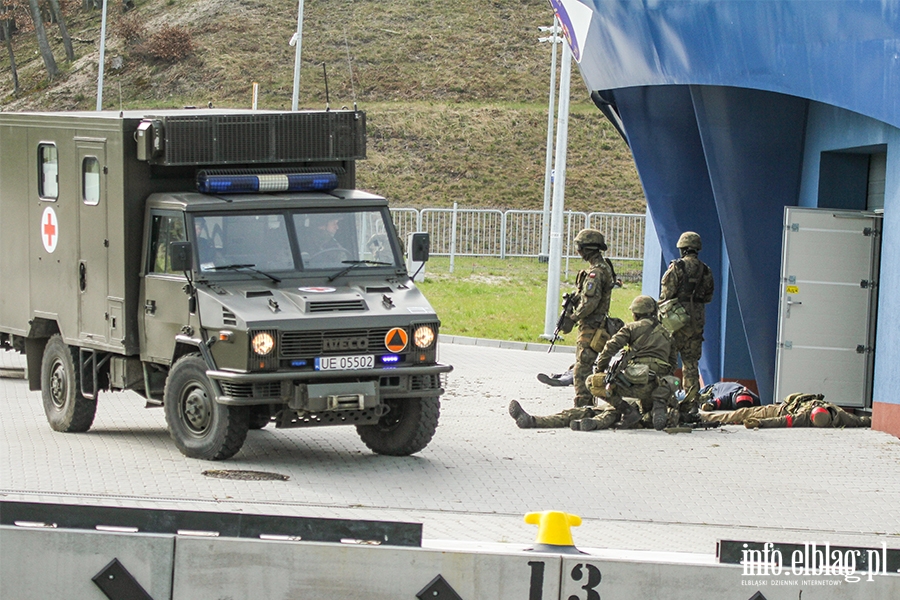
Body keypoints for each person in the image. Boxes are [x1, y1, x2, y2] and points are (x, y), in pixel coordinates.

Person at [510, 295, 680, 431]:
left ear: (636, 313)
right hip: (656, 390)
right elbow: (673, 364)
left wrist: (600, 370)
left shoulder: (631, 328)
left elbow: (610, 348)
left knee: (594, 389)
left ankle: (535, 421)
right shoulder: (668, 334)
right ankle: (535, 421)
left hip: (630, 391)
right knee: (596, 413)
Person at [659, 231, 715, 403]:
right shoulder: (705, 270)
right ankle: (691, 403)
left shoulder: (677, 267)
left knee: (669, 361)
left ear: (682, 248)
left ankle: (667, 399)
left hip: (675, 321)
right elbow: (708, 296)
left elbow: (666, 295)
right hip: (696, 321)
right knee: (691, 363)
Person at [565, 229, 617, 407]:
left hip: (591, 325)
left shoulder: (596, 273)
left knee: (582, 366)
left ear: (588, 249)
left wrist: (573, 317)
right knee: (586, 363)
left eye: (579, 247)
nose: (578, 251)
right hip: (597, 324)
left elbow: (590, 303)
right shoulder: (604, 268)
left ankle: (583, 404)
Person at [700, 392, 871, 428]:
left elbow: (782, 421)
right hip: (786, 405)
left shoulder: (804, 418)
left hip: (783, 411)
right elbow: (861, 421)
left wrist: (759, 423)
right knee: (742, 413)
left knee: (744, 414)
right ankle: (706, 416)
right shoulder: (840, 414)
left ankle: (706, 419)